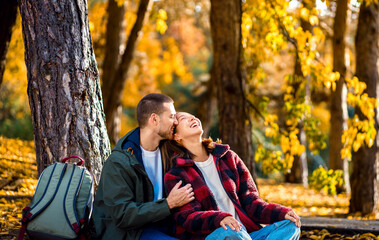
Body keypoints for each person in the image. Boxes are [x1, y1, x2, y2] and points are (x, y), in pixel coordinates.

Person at [161, 112, 301, 240]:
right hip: (218, 236)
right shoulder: (176, 174)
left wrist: (281, 212)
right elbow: (188, 218)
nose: (192, 118)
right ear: (176, 136)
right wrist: (219, 219)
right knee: (231, 233)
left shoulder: (228, 157)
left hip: (247, 235)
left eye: (192, 116)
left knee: (290, 224)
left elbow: (252, 202)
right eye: (183, 118)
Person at [93, 94, 195, 240]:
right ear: (154, 119)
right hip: (130, 234)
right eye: (171, 116)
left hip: (166, 226)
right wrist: (168, 204)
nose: (176, 121)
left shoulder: (168, 151)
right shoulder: (119, 162)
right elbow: (122, 215)